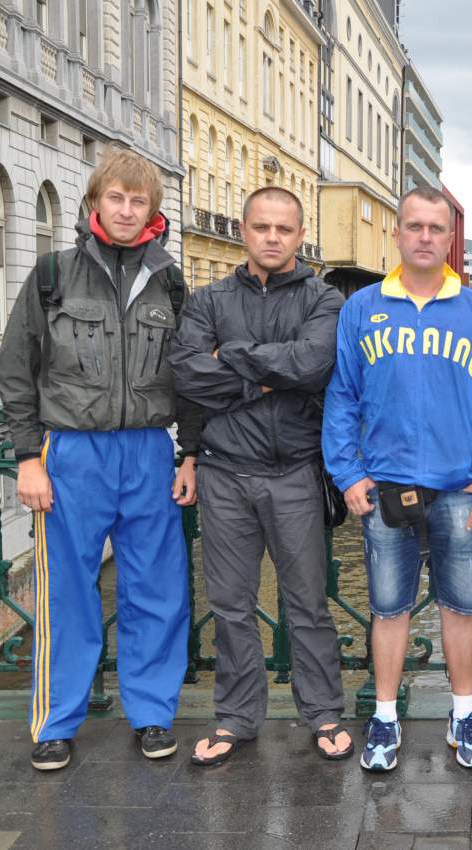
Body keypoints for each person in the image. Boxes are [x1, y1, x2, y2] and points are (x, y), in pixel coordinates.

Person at [0, 148, 199, 770]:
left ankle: (153, 713)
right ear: (95, 203)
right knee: (67, 592)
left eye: (139, 201)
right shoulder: (53, 274)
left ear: (153, 212)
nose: (127, 210)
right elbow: (16, 370)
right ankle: (56, 722)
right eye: (117, 198)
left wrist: (190, 452)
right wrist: (27, 457)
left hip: (149, 450)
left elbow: (191, 377)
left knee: (156, 588)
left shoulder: (170, 282)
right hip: (72, 452)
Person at [323, 186, 472, 772]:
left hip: (460, 488)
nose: (425, 237)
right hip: (385, 485)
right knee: (388, 607)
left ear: (449, 238)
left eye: (436, 228)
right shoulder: (363, 308)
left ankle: (464, 713)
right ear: (398, 232)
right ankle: (385, 717)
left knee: (461, 607)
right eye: (415, 226)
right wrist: (347, 472)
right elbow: (343, 396)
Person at [168, 186, 349, 766]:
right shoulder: (208, 299)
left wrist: (230, 359)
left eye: (284, 229)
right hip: (224, 471)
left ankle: (323, 711)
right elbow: (187, 375)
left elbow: (313, 362)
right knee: (230, 604)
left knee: (308, 603)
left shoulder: (323, 299)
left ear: (301, 235)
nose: (273, 237)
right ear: (244, 230)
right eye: (262, 227)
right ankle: (236, 717)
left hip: (295, 470)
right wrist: (269, 378)